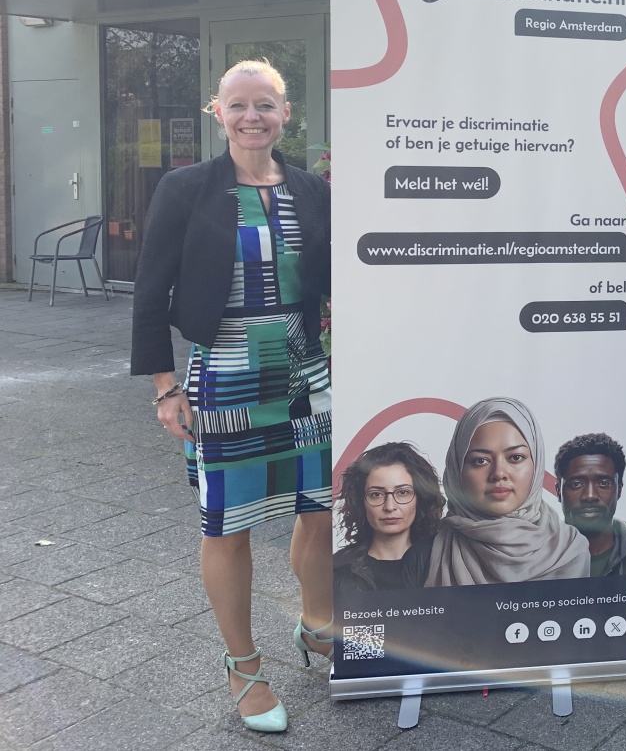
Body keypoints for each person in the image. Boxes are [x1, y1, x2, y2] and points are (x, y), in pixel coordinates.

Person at [131, 60, 333, 734]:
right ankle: (244, 667)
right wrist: (165, 387)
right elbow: (150, 289)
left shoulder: (311, 189)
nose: (253, 117)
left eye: (266, 105)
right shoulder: (186, 188)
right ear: (219, 113)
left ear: (286, 113)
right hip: (225, 373)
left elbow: (334, 277)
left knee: (323, 508)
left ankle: (318, 625)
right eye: (239, 105)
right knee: (229, 522)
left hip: (306, 373)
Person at [425, 397, 590, 586]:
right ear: (457, 469)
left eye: (515, 457)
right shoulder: (426, 555)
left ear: (536, 465)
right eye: (480, 460)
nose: (498, 474)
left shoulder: (571, 549)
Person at [334, 441, 444, 594]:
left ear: (420, 498)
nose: (390, 506)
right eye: (376, 494)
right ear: (361, 501)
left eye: (403, 492)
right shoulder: (337, 568)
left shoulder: (443, 561)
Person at [553, 433, 626, 577]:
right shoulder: (530, 554)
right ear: (558, 492)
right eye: (576, 484)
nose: (589, 496)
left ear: (619, 490)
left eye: (603, 483)